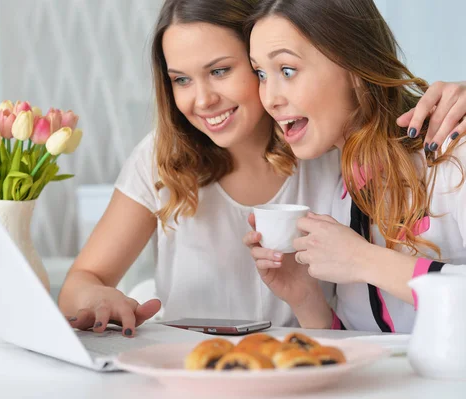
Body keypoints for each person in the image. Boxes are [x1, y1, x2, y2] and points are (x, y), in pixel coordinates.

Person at [58, 0, 343, 337]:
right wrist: (97, 296)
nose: (203, 100)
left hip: (301, 368)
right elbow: (80, 283)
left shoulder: (326, 149)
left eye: (219, 71)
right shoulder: (161, 158)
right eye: (181, 80)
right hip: (190, 368)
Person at [244, 0, 466, 333]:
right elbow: (369, 348)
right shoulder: (339, 187)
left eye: (287, 70)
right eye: (261, 74)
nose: (269, 97)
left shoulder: (451, 153)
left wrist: (364, 260)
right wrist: (305, 298)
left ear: (355, 70)